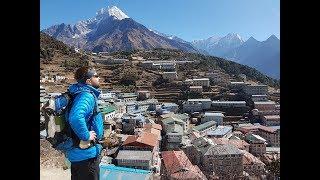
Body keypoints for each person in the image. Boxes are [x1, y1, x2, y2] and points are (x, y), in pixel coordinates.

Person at [62, 66, 104, 180]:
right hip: (86, 157)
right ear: (88, 81)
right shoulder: (86, 95)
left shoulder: (76, 92)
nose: (99, 77)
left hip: (77, 155)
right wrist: (86, 136)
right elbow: (75, 117)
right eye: (96, 75)